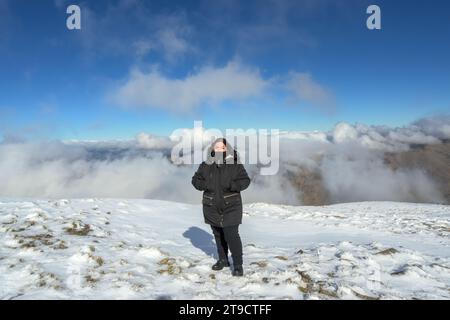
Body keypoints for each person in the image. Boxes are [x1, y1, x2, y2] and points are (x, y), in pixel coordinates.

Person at [191, 137, 251, 276]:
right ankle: (223, 260)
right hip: (211, 205)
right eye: (216, 147)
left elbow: (245, 180)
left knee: (232, 235)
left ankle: (238, 265)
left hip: (231, 205)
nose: (219, 150)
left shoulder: (235, 164)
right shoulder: (205, 164)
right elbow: (195, 180)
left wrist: (233, 186)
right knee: (218, 234)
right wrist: (204, 185)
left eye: (222, 147)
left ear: (227, 149)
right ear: (212, 149)